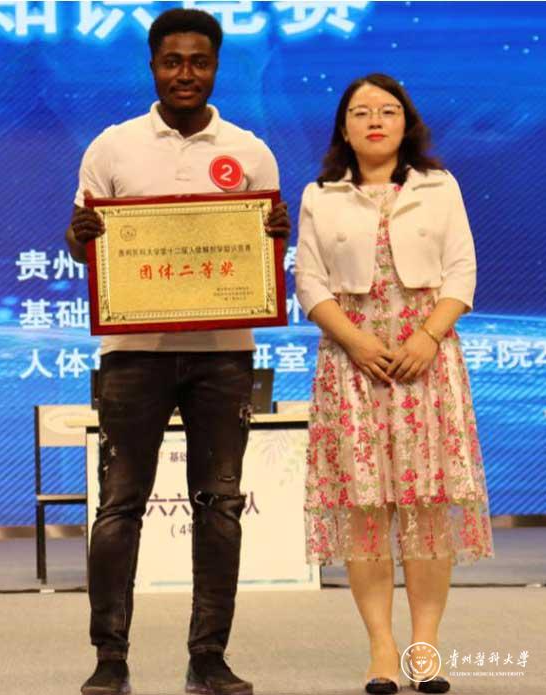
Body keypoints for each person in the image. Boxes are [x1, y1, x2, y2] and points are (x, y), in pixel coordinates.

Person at [65, 9, 290, 695]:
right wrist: (79, 236)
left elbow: (264, 256)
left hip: (223, 354)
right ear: (152, 66)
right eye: (171, 61)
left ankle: (208, 656)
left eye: (198, 61)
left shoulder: (250, 151)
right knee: (118, 504)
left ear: (215, 66)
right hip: (133, 352)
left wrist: (273, 235)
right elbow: (83, 246)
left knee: (219, 503)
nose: (184, 73)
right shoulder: (113, 147)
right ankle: (109, 658)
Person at [295, 73, 492, 695]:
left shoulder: (440, 186)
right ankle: (382, 648)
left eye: (387, 110)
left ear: (407, 122)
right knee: (365, 512)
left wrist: (428, 336)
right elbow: (310, 283)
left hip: (425, 362)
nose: (375, 121)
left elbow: (462, 270)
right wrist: (355, 341)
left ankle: (425, 648)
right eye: (361, 112)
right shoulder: (321, 194)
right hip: (353, 365)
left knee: (427, 509)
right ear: (344, 127)